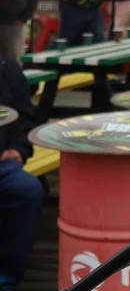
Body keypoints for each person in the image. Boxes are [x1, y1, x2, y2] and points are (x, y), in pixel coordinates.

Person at [0, 55, 44, 289]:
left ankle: (7, 276)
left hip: (2, 166)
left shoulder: (6, 68)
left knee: (26, 190)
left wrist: (18, 148)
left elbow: (25, 115)